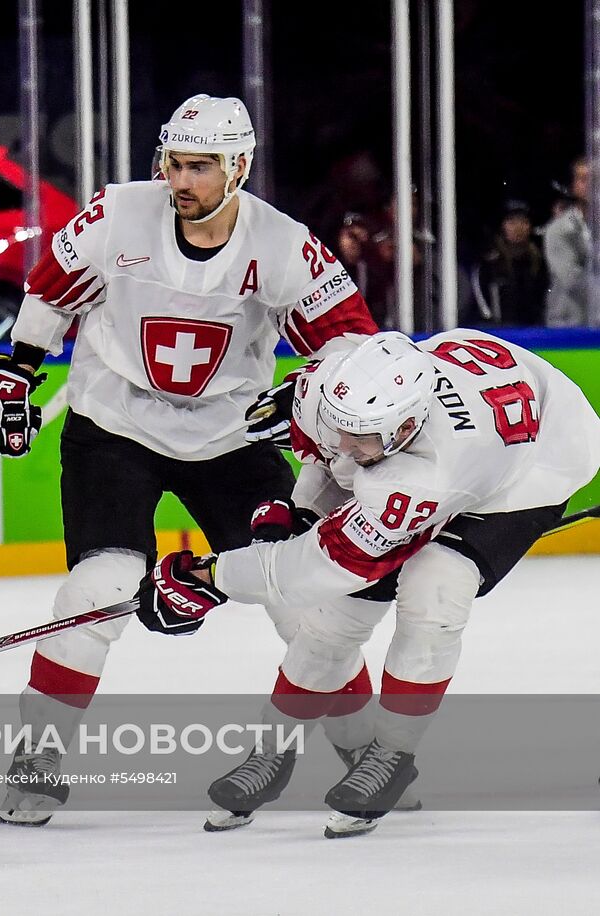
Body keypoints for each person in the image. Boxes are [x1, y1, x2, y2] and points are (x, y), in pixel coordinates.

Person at [0, 94, 379, 827]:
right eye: (173, 162)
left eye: (200, 166)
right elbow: (50, 291)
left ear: (239, 167)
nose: (181, 179)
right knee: (97, 589)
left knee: (303, 603)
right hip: (114, 425)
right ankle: (38, 755)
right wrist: (17, 364)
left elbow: (351, 345)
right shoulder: (114, 214)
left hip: (233, 438)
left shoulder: (285, 245)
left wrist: (316, 391)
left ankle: (368, 750)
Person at [141, 330, 600, 837]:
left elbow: (316, 569)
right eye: (340, 429)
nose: (345, 445)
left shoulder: (424, 475)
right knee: (334, 623)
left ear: (406, 427)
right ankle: (272, 752)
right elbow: (331, 454)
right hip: (477, 408)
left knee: (434, 594)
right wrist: (301, 510)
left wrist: (214, 578)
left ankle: (391, 755)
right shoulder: (335, 391)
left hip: (534, 462)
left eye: (361, 438)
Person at [469, 200, 547, 327]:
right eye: (512, 222)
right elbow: (481, 303)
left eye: (523, 222)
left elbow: (543, 300)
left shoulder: (539, 263)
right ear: (502, 226)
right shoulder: (489, 265)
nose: (518, 228)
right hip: (498, 333)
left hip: (533, 333)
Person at [543, 157, 592, 327]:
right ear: (573, 185)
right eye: (583, 179)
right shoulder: (558, 230)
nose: (591, 185)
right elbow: (572, 279)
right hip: (568, 326)